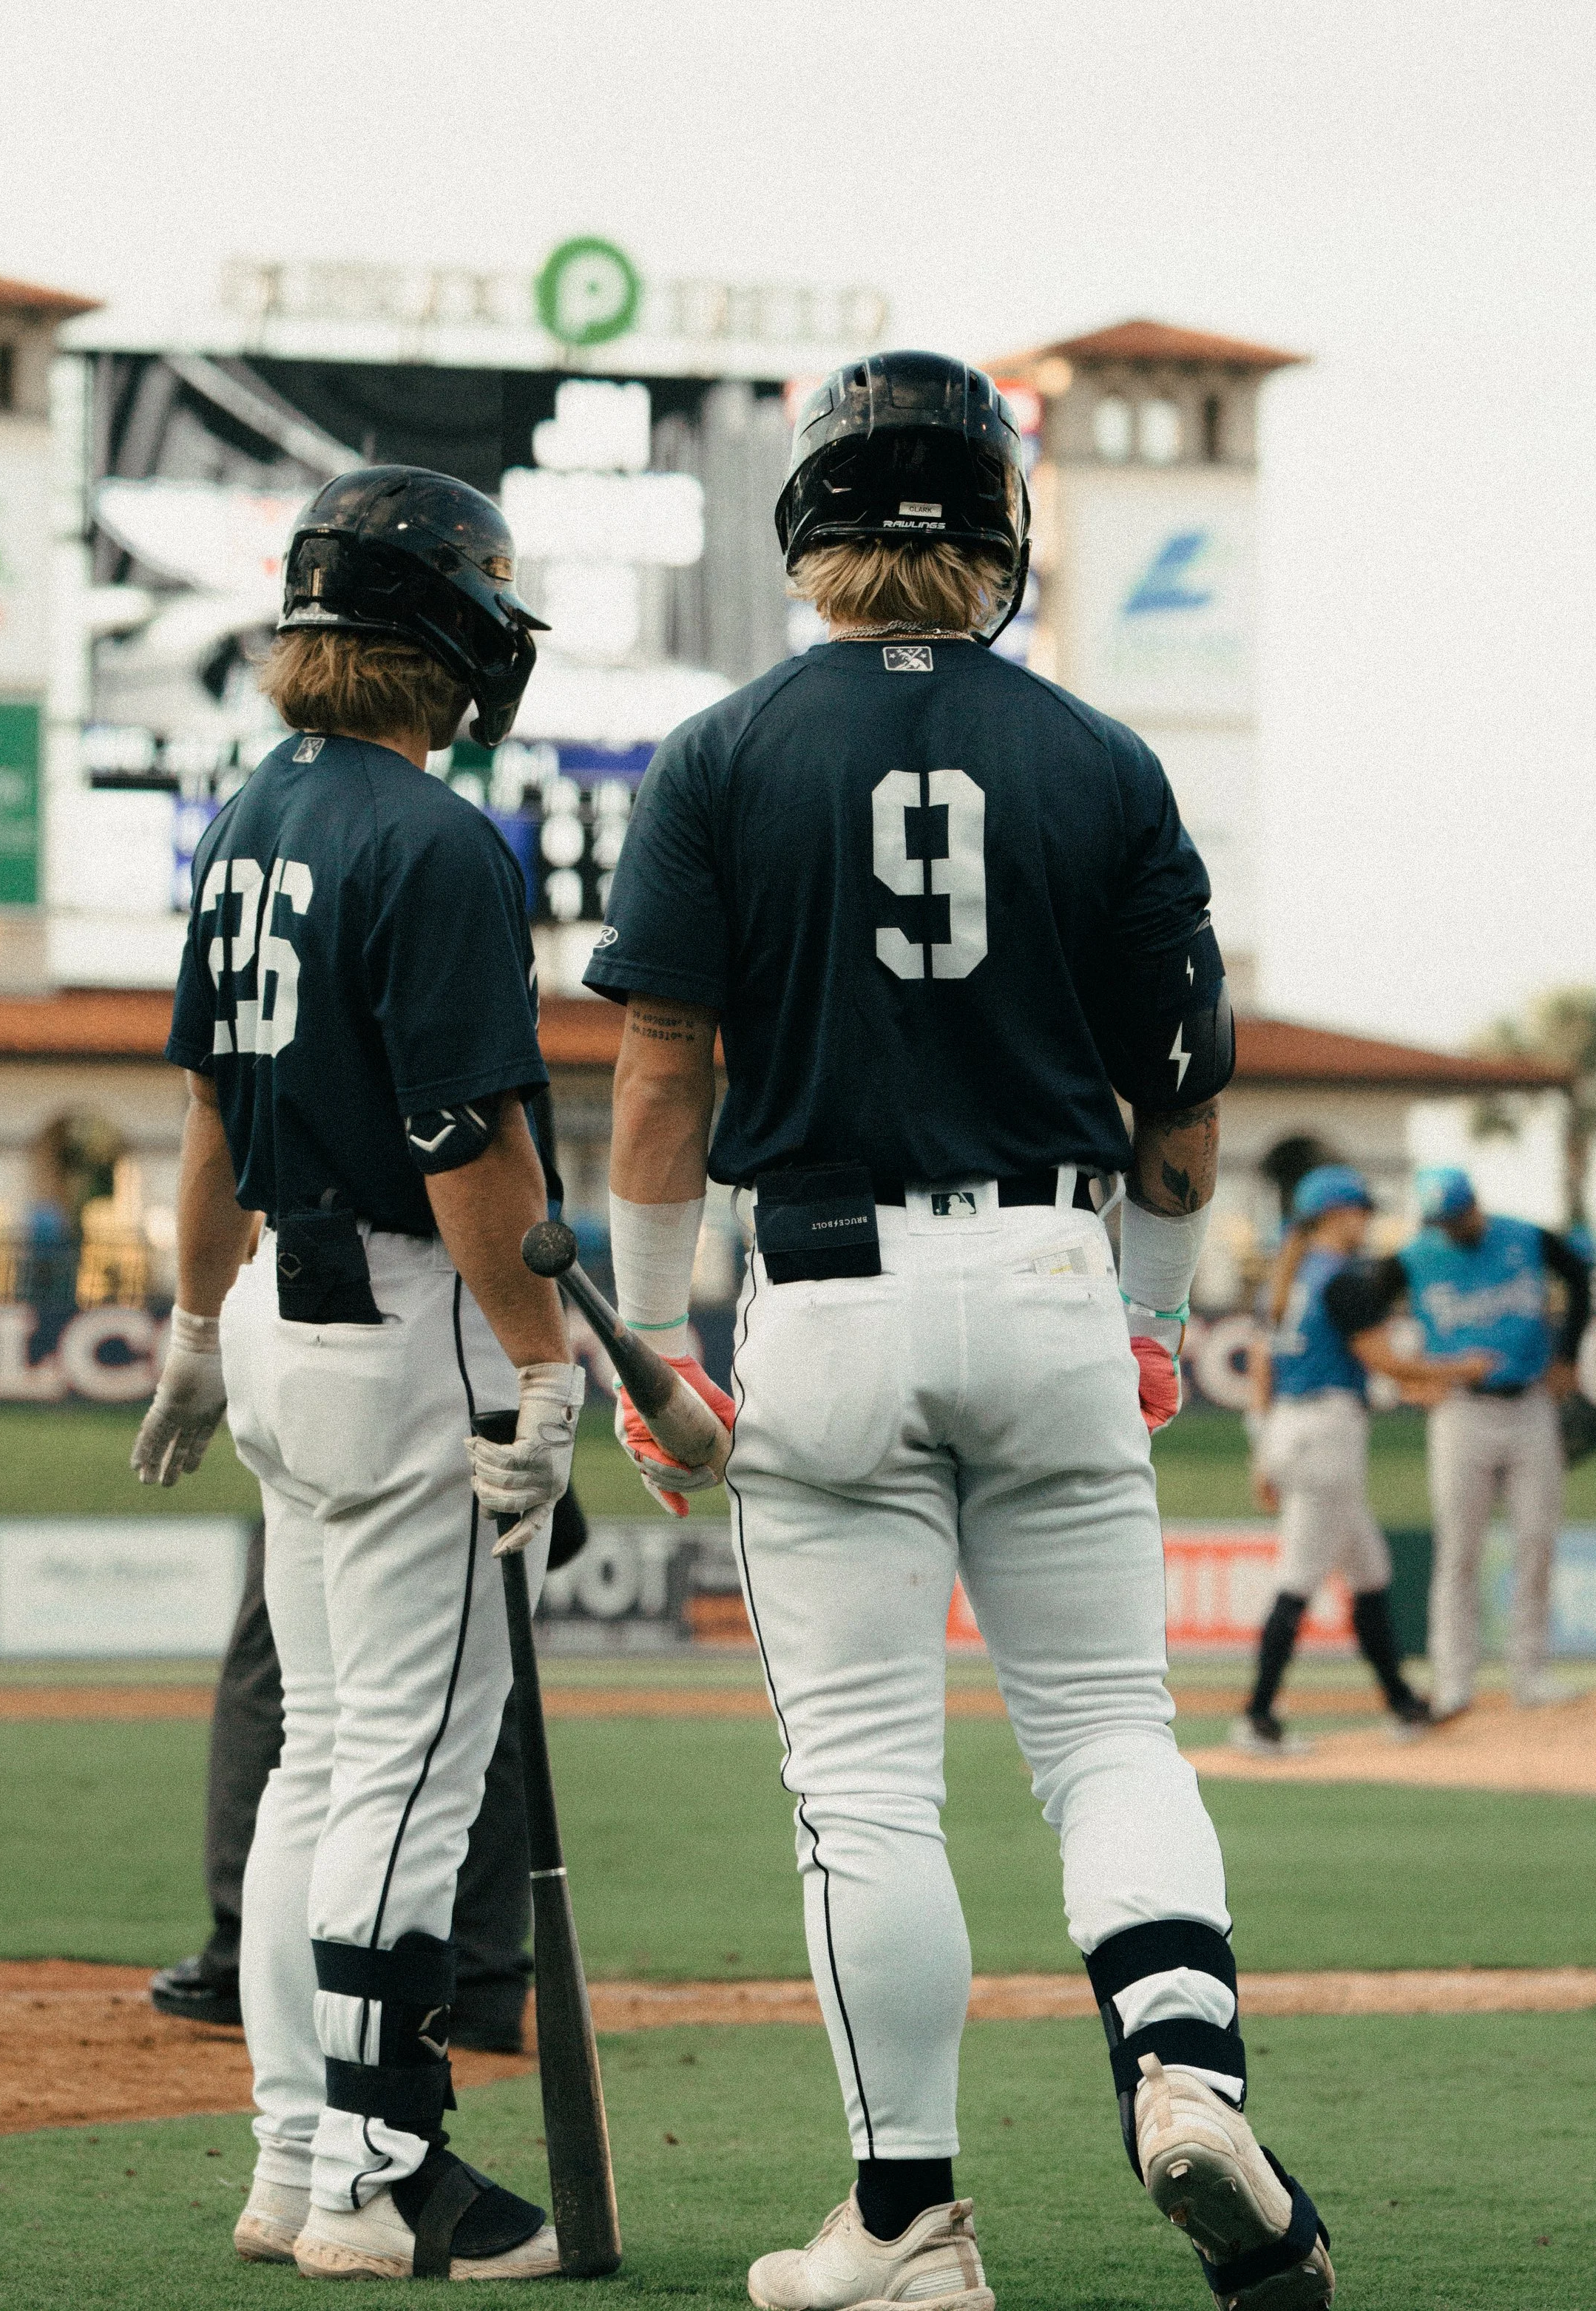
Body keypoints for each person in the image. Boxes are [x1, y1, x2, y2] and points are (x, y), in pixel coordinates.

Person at [586, 352, 1333, 2311]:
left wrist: (649, 1336)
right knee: (1105, 1730)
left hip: (823, 1294)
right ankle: (1180, 2061)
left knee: (862, 1785)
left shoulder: (722, 752)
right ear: (1000, 529)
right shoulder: (1100, 757)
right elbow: (1179, 1104)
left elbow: (660, 1078)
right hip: (1047, 1279)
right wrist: (1155, 1316)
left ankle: (907, 2221)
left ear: (807, 528)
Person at [130, 466, 584, 2283]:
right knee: (405, 1765)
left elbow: (209, 1113)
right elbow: (470, 1143)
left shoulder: (252, 815)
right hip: (410, 1318)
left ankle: (298, 2155)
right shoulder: (433, 835)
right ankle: (385, 2180)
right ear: (449, 633)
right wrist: (546, 1365)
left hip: (274, 1317)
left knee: (327, 1759)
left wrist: (185, 1318)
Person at [146, 1507, 585, 2052]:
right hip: (485, 1445)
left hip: (367, 1447)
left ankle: (253, 1965)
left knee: (292, 1694)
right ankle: (474, 1977)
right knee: (473, 1674)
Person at [1237, 1163, 1492, 1755]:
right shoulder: (1339, 1279)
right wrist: (1461, 1369)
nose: (1367, 1219)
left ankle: (1404, 1706)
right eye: (1360, 1209)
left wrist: (1263, 1451)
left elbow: (1264, 1367)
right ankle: (1256, 1717)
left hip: (1294, 1427)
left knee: (1370, 1571)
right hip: (1326, 1435)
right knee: (1297, 1580)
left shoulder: (1289, 1274)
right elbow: (1384, 1359)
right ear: (1334, 1215)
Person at [1324, 1165, 1589, 1721]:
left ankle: (1530, 1672)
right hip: (1460, 1410)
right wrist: (1409, 1378)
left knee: (1537, 1540)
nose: (1451, 1227)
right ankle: (1453, 1679)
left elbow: (1580, 1278)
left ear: (1475, 1205)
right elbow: (1359, 1315)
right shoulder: (1417, 1256)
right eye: (1441, 1220)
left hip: (1528, 1403)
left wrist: (1566, 1355)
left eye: (1456, 1216)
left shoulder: (1525, 1237)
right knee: (1458, 1549)